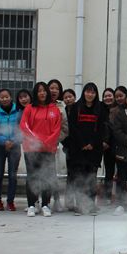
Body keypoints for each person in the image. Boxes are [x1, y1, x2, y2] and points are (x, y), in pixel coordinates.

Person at [20, 82, 68, 217]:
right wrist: (36, 141)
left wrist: (46, 142)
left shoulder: (54, 109)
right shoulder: (29, 108)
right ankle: (31, 204)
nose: (42, 93)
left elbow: (57, 129)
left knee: (47, 177)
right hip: (31, 148)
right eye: (39, 91)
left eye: (44, 91)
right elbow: (24, 126)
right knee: (32, 176)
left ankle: (45, 204)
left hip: (48, 149)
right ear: (36, 93)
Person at [67, 83, 107, 215]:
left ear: (96, 94)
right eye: (88, 92)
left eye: (93, 92)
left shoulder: (101, 108)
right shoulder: (75, 108)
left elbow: (102, 128)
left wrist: (92, 143)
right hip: (78, 149)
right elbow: (73, 128)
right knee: (79, 177)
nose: (90, 95)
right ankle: (79, 205)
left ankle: (90, 204)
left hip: (94, 149)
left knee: (91, 177)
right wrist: (83, 143)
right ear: (84, 93)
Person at [0, 88, 22, 211]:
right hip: (0, 147)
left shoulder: (18, 112)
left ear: (11, 97)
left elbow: (22, 129)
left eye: (7, 96)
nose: (4, 99)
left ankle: (10, 201)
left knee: (12, 175)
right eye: (2, 97)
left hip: (15, 146)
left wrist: (13, 141)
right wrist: (4, 141)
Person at [47, 79, 67, 211]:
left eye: (56, 88)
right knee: (40, 173)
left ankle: (57, 199)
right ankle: (39, 200)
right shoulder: (41, 105)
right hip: (41, 145)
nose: (53, 90)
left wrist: (55, 140)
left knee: (54, 174)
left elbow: (65, 127)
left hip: (56, 145)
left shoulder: (62, 106)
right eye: (51, 88)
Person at [61, 88, 77, 211]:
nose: (68, 99)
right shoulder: (63, 111)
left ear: (74, 97)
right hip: (68, 147)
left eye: (70, 96)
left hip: (80, 147)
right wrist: (65, 144)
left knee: (80, 175)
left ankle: (80, 200)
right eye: (65, 97)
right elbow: (61, 129)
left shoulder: (79, 110)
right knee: (70, 175)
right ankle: (69, 201)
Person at [101, 87, 118, 203]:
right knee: (109, 172)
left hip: (118, 144)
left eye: (110, 95)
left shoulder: (119, 110)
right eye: (105, 96)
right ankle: (107, 196)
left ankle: (120, 197)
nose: (108, 98)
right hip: (105, 146)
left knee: (121, 172)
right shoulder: (100, 110)